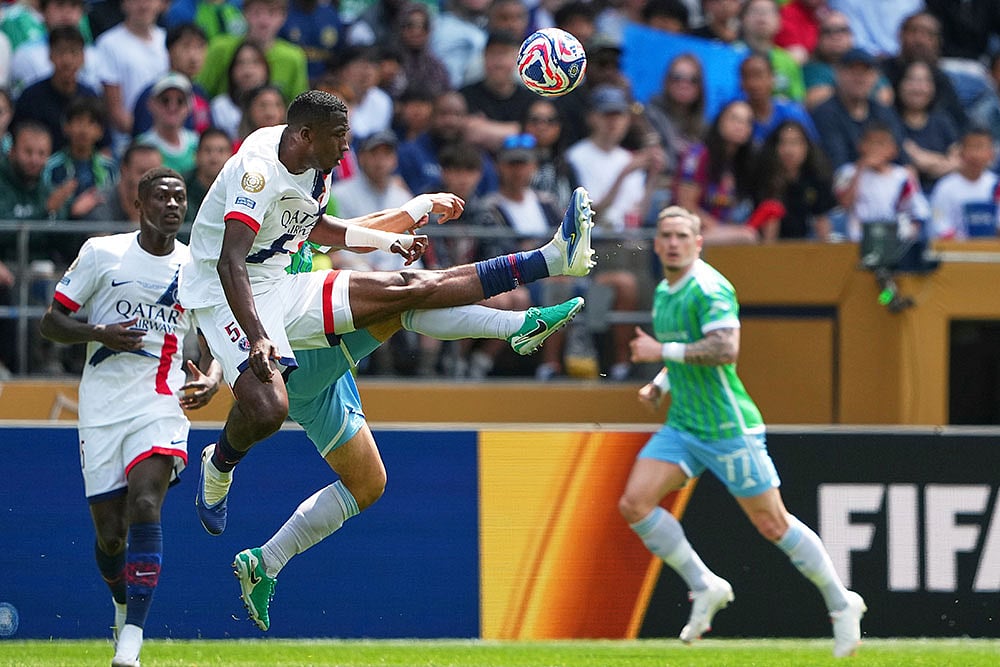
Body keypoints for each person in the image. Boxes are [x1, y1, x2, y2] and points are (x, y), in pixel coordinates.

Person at [178, 89, 597, 538]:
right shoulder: (256, 170)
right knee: (268, 409)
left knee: (407, 289)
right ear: (304, 134)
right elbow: (230, 262)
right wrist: (258, 336)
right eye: (339, 137)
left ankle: (552, 260)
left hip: (282, 281)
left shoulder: (318, 166)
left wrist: (389, 238)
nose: (346, 148)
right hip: (223, 292)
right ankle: (219, 465)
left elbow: (315, 230)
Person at [622, 204, 867, 658]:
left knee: (772, 523)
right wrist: (660, 383)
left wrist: (660, 351)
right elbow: (684, 354)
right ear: (656, 244)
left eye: (682, 236)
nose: (673, 242)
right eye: (666, 235)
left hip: (727, 425)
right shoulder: (663, 290)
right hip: (684, 424)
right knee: (635, 504)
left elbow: (723, 349)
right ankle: (706, 585)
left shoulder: (710, 287)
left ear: (698, 243)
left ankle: (841, 602)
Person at [38, 166, 223, 667]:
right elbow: (51, 322)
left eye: (180, 198)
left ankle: (132, 642)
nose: (172, 205)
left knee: (147, 502)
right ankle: (123, 605)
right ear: (138, 204)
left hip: (160, 401)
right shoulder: (103, 253)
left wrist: (211, 377)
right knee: (111, 535)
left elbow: (216, 338)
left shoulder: (195, 267)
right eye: (161, 196)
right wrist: (98, 331)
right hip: (100, 407)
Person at [833, 120, 930, 242]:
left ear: (894, 150)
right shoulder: (847, 172)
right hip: (857, 240)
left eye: (882, 143)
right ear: (860, 145)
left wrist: (909, 236)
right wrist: (860, 169)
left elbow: (917, 211)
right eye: (871, 143)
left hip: (893, 240)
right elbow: (844, 204)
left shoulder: (902, 177)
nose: (875, 148)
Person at [930, 127, 1000, 240]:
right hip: (956, 251)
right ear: (961, 152)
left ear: (991, 153)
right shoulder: (945, 187)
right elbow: (939, 220)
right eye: (971, 147)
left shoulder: (996, 185)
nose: (976, 154)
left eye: (981, 147)